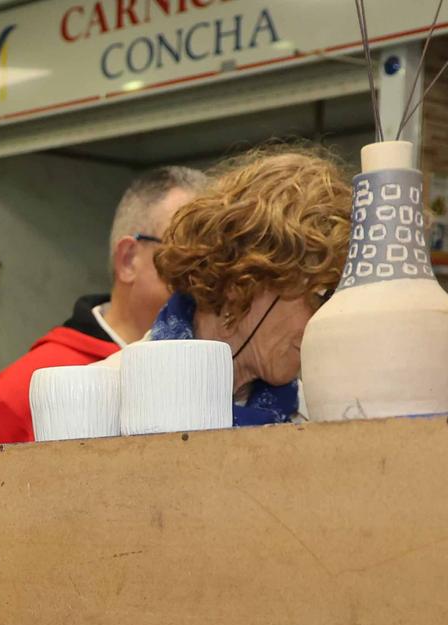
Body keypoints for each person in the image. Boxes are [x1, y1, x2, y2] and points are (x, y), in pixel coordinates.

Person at [0, 165, 207, 446]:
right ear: (128, 260)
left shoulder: (221, 380)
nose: (209, 273)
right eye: (188, 252)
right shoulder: (20, 392)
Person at [147, 146, 351, 425]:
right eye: (320, 297)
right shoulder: (114, 404)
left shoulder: (320, 418)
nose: (327, 322)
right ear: (242, 279)